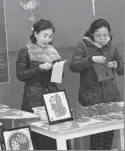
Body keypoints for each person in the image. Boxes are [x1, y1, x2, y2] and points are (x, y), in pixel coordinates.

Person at [69, 19, 124, 150]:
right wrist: (90, 59)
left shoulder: (112, 46)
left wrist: (117, 65)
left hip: (110, 97)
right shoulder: (83, 45)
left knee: (109, 133)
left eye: (105, 35)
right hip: (91, 98)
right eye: (99, 35)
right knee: (96, 134)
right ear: (92, 34)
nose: (102, 38)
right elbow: (73, 66)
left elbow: (122, 70)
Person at [16, 19, 62, 150]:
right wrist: (39, 68)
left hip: (52, 95)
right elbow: (20, 75)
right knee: (39, 135)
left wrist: (58, 69)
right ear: (35, 34)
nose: (47, 39)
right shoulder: (25, 51)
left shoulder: (52, 51)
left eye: (50, 36)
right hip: (34, 98)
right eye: (44, 35)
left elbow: (57, 78)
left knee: (55, 133)